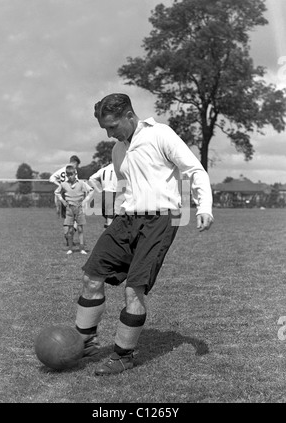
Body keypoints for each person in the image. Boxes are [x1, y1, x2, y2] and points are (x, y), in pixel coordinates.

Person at [75, 93, 213, 376]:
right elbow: (126, 187)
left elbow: (195, 170)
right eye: (105, 129)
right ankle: (84, 342)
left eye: (113, 126)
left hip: (161, 220)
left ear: (129, 115)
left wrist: (204, 207)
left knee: (133, 290)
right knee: (91, 276)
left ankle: (124, 356)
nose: (110, 133)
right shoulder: (118, 150)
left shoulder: (161, 134)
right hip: (125, 219)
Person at [54, 164, 94, 255]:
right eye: (68, 175)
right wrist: (62, 201)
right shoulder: (64, 184)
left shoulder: (81, 183)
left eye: (71, 174)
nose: (70, 176)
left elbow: (91, 190)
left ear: (75, 173)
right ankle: (70, 248)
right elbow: (56, 192)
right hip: (69, 209)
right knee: (70, 230)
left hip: (79, 208)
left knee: (80, 229)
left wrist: (85, 201)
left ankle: (82, 248)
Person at [49, 155, 81, 244]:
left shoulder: (61, 170)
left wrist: (59, 184)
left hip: (63, 194)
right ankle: (69, 234)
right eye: (77, 165)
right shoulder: (73, 171)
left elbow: (51, 178)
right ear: (75, 162)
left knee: (67, 217)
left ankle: (67, 237)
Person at [88, 162, 117, 228]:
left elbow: (91, 179)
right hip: (112, 194)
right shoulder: (118, 169)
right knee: (110, 222)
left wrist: (98, 191)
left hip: (103, 195)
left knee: (108, 220)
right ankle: (107, 237)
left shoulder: (103, 169)